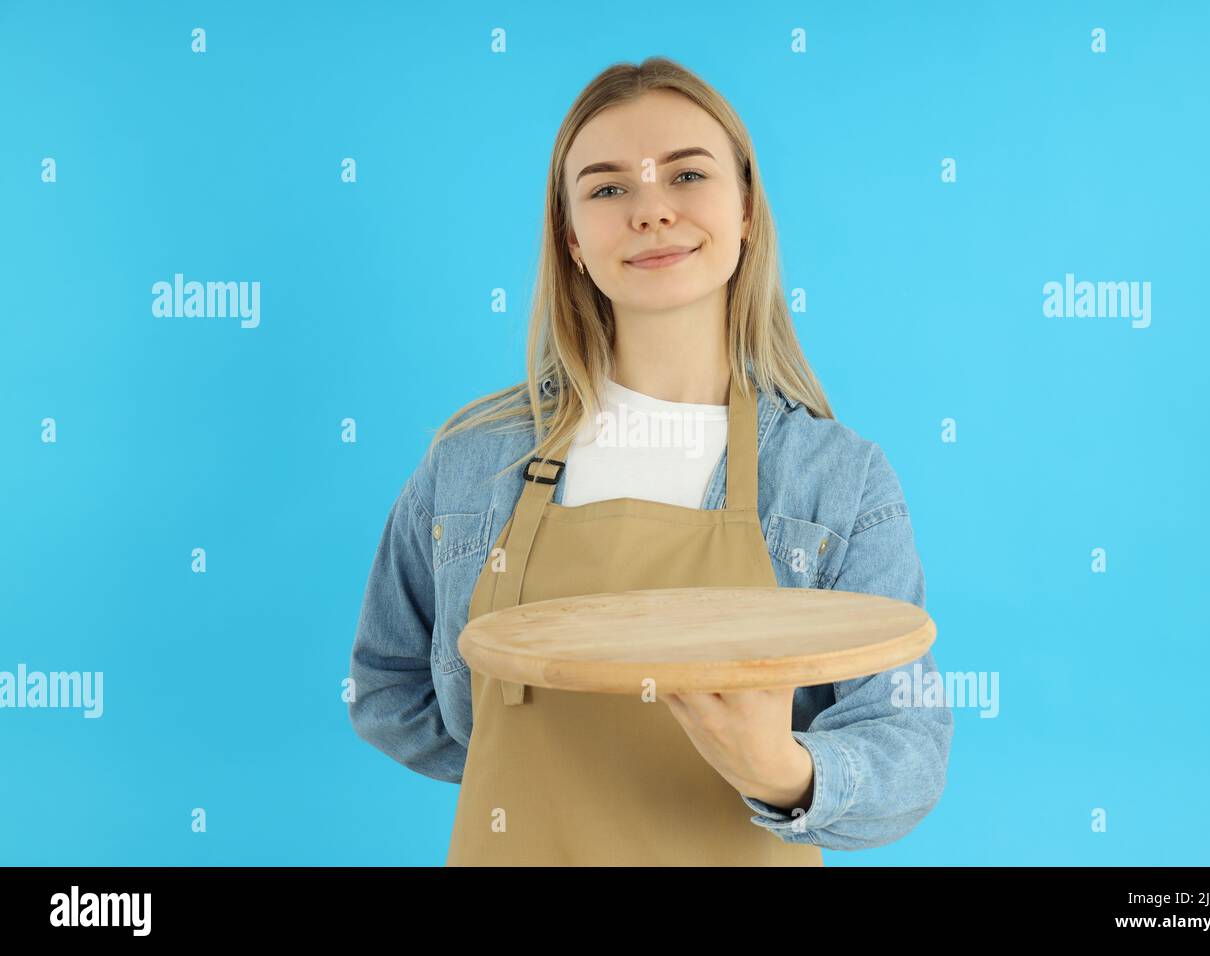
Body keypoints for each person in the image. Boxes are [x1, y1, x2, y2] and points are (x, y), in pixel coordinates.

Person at [349, 56, 952, 866]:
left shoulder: (837, 481)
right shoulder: (469, 465)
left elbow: (907, 744)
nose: (651, 211)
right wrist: (537, 769)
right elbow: (386, 686)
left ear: (745, 211)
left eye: (687, 175)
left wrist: (778, 772)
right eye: (607, 189)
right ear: (571, 237)